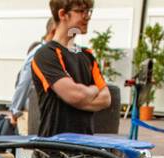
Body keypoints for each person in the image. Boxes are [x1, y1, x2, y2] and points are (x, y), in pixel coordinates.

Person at [30, 0, 110, 138]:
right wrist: (94, 89)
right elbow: (74, 95)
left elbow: (106, 99)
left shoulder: (87, 55)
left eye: (89, 11)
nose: (87, 16)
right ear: (62, 14)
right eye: (81, 11)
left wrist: (79, 99)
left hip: (86, 149)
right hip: (55, 151)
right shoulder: (46, 55)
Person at [10, 18, 56, 135]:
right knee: (28, 149)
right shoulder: (39, 53)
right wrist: (15, 110)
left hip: (47, 114)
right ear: (53, 31)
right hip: (32, 112)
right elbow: (24, 83)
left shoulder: (56, 52)